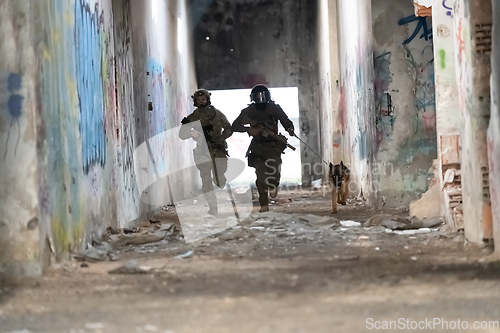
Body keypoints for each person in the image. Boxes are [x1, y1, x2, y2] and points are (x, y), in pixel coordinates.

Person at [231, 84, 295, 212]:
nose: (261, 98)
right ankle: (264, 204)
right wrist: (249, 129)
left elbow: (285, 120)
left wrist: (290, 129)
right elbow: (235, 126)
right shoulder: (249, 111)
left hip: (273, 146)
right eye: (258, 96)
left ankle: (273, 185)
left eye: (263, 95)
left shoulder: (274, 108)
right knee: (260, 177)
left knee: (275, 172)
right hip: (257, 147)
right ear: (253, 97)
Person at [179, 89, 233, 215]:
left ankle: (221, 179)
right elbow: (182, 133)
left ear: (208, 99)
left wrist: (220, 138)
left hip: (217, 150)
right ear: (195, 102)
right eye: (198, 100)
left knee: (219, 180)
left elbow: (229, 128)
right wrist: (191, 132)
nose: (201, 102)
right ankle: (213, 207)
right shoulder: (193, 116)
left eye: (203, 99)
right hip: (202, 151)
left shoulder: (217, 114)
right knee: (206, 180)